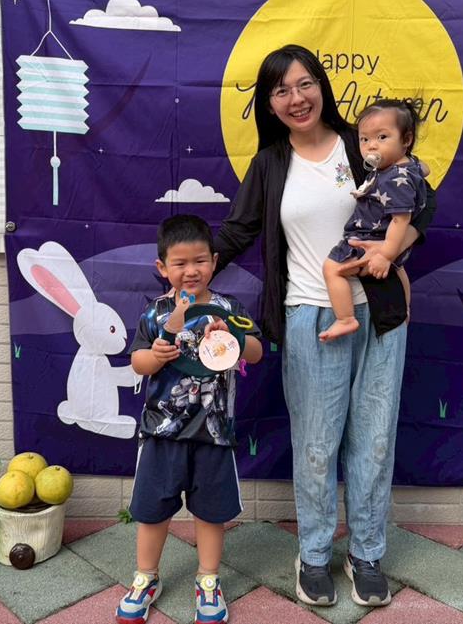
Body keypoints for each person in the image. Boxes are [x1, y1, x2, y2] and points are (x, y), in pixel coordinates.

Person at [214, 45, 436, 608]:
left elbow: (421, 205)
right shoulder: (270, 164)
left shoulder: (362, 145)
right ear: (269, 103)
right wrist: (188, 275)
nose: (296, 98)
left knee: (375, 442)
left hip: (380, 316)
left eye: (305, 84)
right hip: (309, 317)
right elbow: (237, 231)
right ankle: (313, 555)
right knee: (316, 446)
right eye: (281, 90)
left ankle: (366, 554)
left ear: (322, 86)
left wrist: (391, 252)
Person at [116, 214, 263, 624]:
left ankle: (208, 580)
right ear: (162, 267)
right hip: (162, 433)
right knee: (152, 511)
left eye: (199, 261)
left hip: (215, 433)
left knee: (212, 513)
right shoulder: (155, 313)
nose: (191, 270)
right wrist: (156, 355)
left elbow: (255, 353)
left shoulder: (228, 309)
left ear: (214, 261)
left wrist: (232, 336)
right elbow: (138, 362)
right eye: (180, 263)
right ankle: (145, 578)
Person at [319, 99, 427, 342]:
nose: (371, 146)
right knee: (399, 269)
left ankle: (345, 318)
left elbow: (400, 220)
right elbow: (425, 169)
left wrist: (385, 254)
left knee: (332, 269)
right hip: (382, 239)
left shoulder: (394, 179)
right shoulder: (409, 165)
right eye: (364, 139)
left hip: (370, 238)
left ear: (406, 139)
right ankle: (405, 309)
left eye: (382, 137)